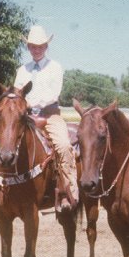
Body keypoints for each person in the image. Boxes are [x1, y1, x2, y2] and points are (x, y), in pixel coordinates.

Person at [14, 25, 78, 211]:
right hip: (26, 116)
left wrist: (32, 102)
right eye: (33, 46)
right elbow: (17, 93)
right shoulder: (22, 70)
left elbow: (54, 93)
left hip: (49, 114)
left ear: (46, 47)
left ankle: (68, 191)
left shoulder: (55, 67)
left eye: (40, 45)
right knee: (7, 142)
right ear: (28, 47)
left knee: (64, 146)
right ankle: (3, 187)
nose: (37, 49)